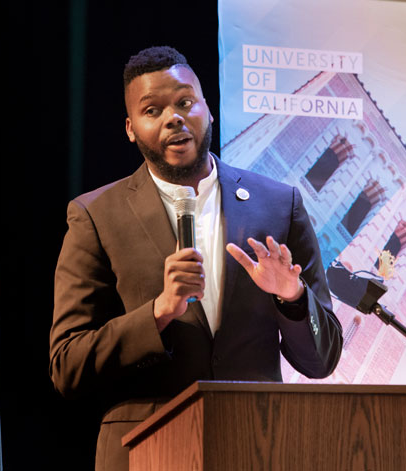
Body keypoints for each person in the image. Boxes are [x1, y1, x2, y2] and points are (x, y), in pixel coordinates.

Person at [49, 46, 343, 471]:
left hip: (261, 443)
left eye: (186, 102)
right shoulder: (96, 216)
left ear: (208, 109)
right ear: (131, 129)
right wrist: (157, 313)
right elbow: (68, 366)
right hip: (146, 453)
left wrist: (292, 297)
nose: (174, 117)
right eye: (153, 110)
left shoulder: (280, 205)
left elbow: (323, 359)